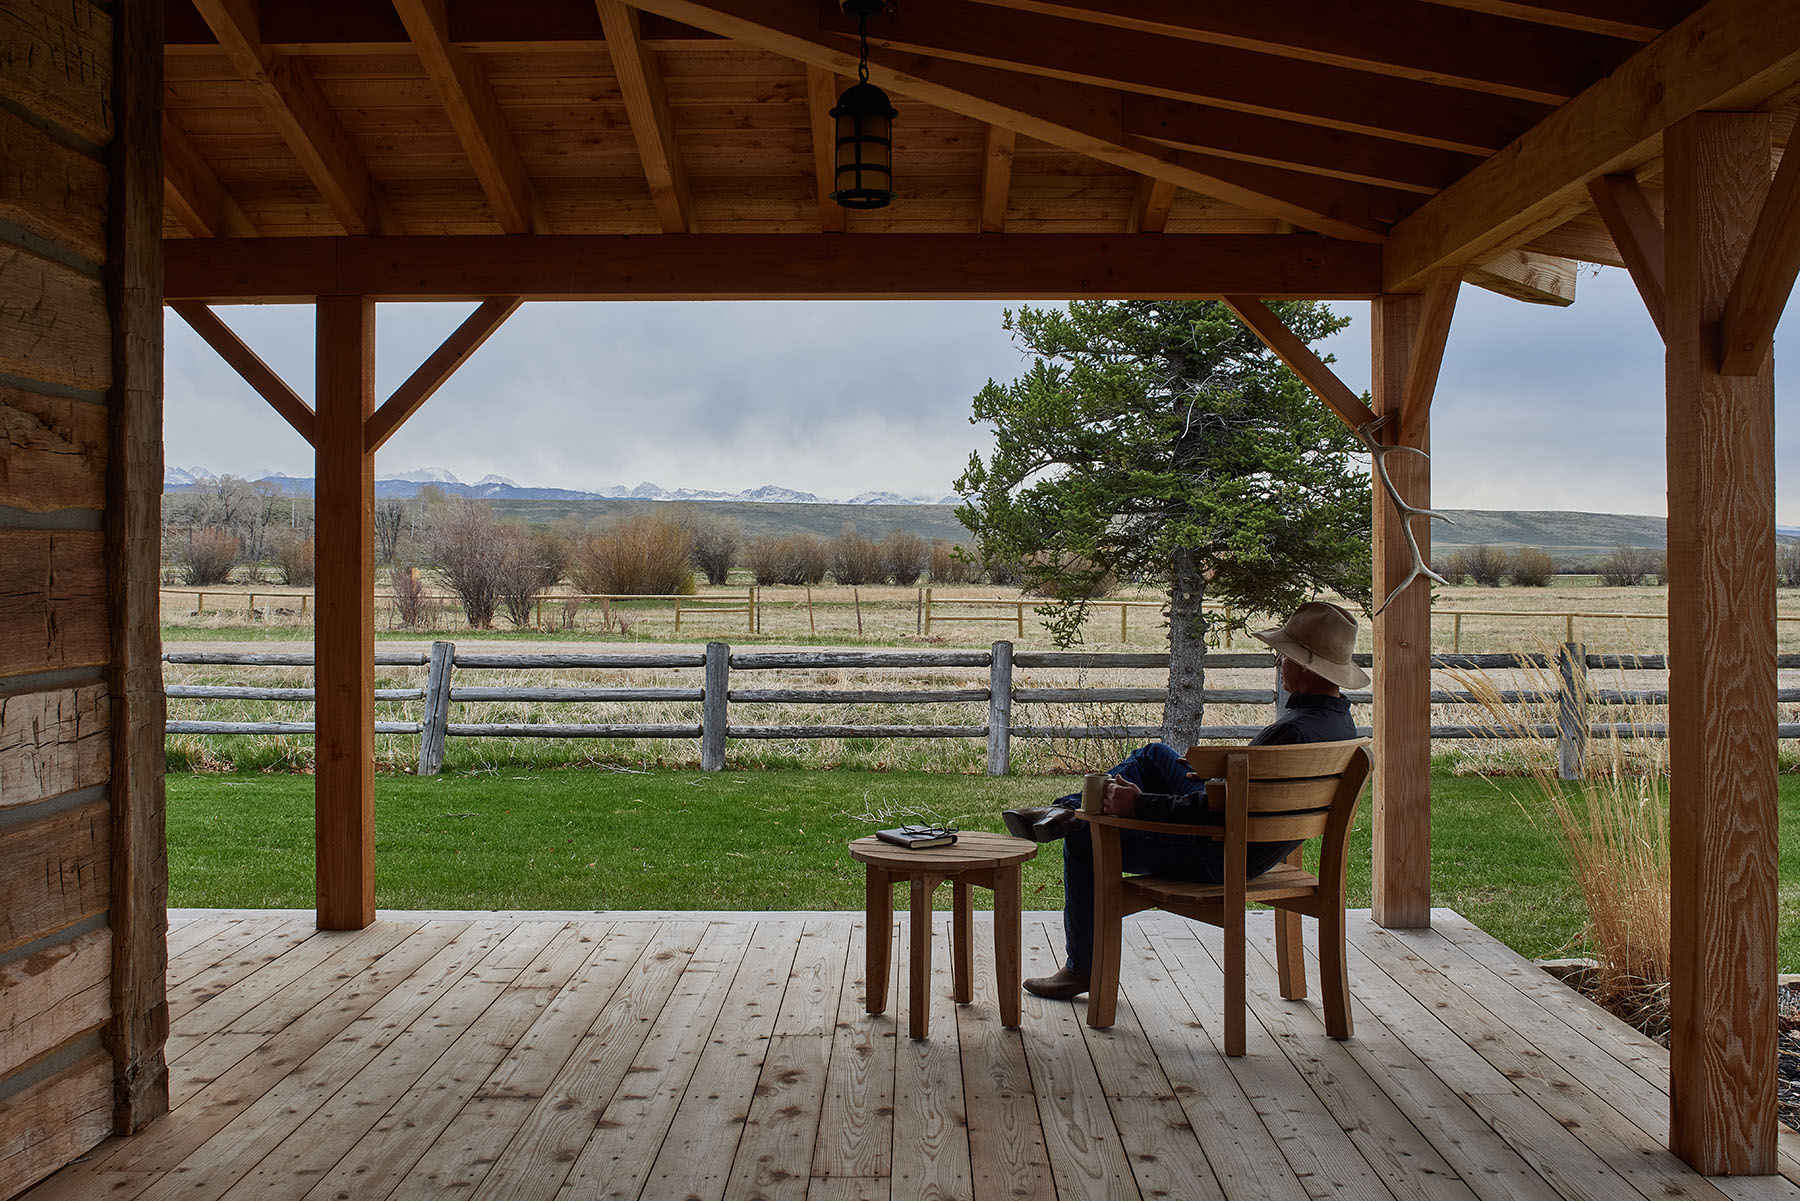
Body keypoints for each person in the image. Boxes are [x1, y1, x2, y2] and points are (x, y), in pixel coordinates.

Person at [1001, 601, 1368, 1001]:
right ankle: (1067, 809)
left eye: (1286, 654)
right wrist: (1217, 781)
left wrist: (1137, 806)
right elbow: (1245, 803)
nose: (1279, 661)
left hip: (1220, 855)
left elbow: (1215, 816)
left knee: (1085, 838)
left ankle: (1082, 966)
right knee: (1155, 755)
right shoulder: (1339, 727)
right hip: (1255, 844)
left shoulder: (1291, 734)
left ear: (1306, 666)